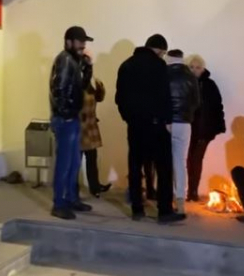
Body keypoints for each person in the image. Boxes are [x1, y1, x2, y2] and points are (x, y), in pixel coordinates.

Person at [116, 34, 185, 224]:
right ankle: (164, 211)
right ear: (160, 50)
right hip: (155, 125)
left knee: (135, 165)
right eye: (163, 53)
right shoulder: (158, 66)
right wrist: (167, 120)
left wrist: (129, 118)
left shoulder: (126, 65)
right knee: (163, 167)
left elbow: (119, 98)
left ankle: (137, 209)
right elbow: (164, 96)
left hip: (135, 124)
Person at [49, 26, 94, 220]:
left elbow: (80, 87)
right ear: (68, 42)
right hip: (66, 118)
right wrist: (65, 113)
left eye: (84, 42)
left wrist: (87, 68)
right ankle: (60, 203)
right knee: (65, 163)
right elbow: (58, 90)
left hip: (71, 117)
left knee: (73, 162)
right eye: (79, 41)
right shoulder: (65, 60)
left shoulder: (73, 61)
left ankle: (70, 199)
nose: (83, 45)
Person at [186, 54, 226, 202]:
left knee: (195, 160)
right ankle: (188, 192)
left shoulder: (210, 85)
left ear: (203, 69)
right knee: (189, 160)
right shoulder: (185, 83)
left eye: (197, 67)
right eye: (191, 67)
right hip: (187, 128)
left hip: (203, 129)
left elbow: (217, 106)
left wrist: (218, 127)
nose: (194, 70)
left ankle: (193, 192)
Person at [166, 49, 200, 214]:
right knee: (180, 162)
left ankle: (165, 199)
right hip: (185, 123)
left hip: (166, 122)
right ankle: (180, 199)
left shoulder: (163, 74)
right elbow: (196, 102)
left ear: (169, 58)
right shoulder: (191, 77)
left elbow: (160, 99)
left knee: (164, 162)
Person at [79, 51, 111, 198]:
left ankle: (95, 186)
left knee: (92, 159)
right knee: (76, 160)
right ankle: (73, 188)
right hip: (80, 127)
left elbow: (98, 98)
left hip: (90, 125)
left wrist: (100, 88)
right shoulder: (75, 82)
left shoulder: (89, 82)